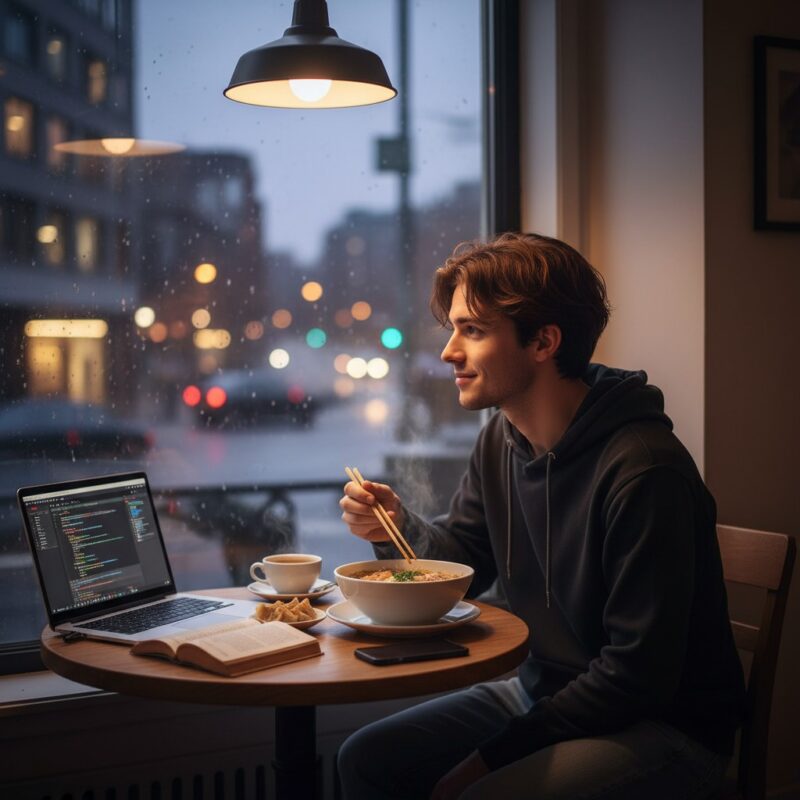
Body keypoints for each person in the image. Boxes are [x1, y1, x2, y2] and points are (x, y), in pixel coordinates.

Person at [337, 232, 745, 800]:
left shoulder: (646, 472)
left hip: (662, 728)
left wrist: (491, 759)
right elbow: (463, 566)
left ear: (543, 342)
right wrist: (394, 525)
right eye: (453, 328)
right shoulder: (502, 440)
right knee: (366, 759)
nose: (449, 352)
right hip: (544, 694)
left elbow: (636, 678)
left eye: (473, 330)